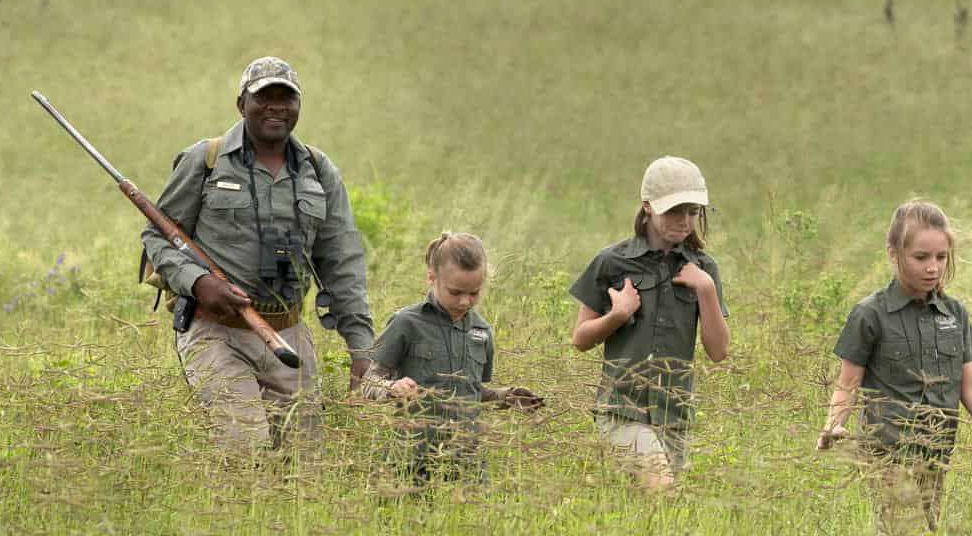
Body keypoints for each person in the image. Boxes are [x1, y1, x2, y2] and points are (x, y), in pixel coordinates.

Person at [140, 55, 374, 453]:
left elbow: (343, 262)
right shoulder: (205, 160)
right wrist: (198, 282)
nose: (275, 107)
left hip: (287, 336)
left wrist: (361, 349)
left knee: (303, 462)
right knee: (244, 445)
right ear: (241, 104)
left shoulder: (319, 171)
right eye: (264, 97)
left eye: (286, 98)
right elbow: (158, 235)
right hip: (215, 332)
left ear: (299, 106)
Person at [818, 200, 972, 532]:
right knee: (900, 534)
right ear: (894, 254)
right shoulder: (870, 314)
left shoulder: (954, 314)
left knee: (928, 533)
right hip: (887, 451)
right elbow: (848, 383)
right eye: (921, 257)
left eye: (941, 257)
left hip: (937, 450)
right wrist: (833, 424)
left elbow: (971, 388)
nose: (933, 268)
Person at [567, 156, 731, 490]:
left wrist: (706, 289)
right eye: (673, 211)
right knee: (661, 487)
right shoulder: (611, 262)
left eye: (692, 212)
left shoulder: (704, 268)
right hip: (622, 408)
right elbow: (581, 339)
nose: (684, 221)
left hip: (674, 415)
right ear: (647, 207)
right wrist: (617, 315)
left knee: (655, 508)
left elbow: (718, 351)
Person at [360, 232, 543, 482]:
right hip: (411, 460)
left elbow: (473, 392)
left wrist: (506, 397)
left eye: (474, 293)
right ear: (431, 278)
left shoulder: (482, 331)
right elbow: (368, 382)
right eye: (455, 292)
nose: (465, 301)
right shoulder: (406, 323)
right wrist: (392, 388)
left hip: (467, 463)